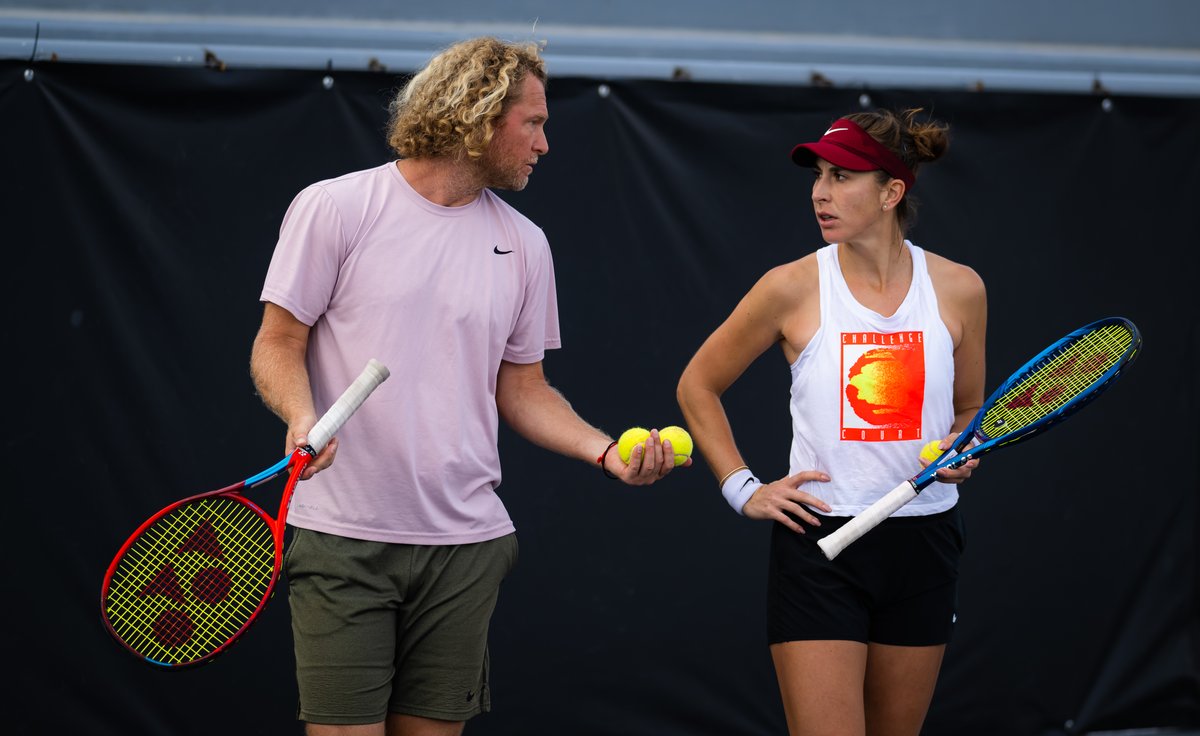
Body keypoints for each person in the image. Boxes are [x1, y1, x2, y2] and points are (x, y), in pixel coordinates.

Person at [250, 36, 685, 736]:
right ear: (479, 116)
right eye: (533, 123)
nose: (544, 143)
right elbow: (277, 342)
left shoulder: (526, 244)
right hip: (341, 538)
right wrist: (302, 415)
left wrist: (606, 453)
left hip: (466, 547)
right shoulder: (335, 207)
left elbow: (524, 389)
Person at [676, 108, 987, 736]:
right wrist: (742, 487)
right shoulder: (788, 287)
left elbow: (969, 410)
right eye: (818, 175)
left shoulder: (960, 288)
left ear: (891, 193)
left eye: (842, 177)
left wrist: (962, 447)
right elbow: (697, 385)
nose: (820, 192)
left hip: (925, 544)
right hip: (821, 546)